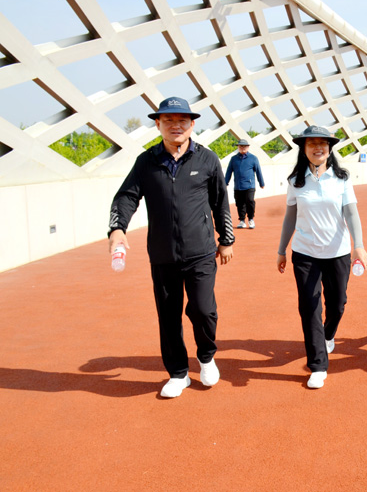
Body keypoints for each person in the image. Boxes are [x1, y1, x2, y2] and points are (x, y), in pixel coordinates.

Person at [108, 96, 235, 398]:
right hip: (163, 255)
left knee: (204, 310)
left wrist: (226, 239)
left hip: (201, 252)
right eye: (168, 120)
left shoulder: (207, 159)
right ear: (158, 124)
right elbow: (126, 196)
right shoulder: (146, 161)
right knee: (168, 316)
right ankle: (178, 374)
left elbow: (220, 202)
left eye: (182, 121)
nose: (175, 126)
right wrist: (117, 228)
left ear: (192, 124)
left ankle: (206, 356)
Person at [277, 125, 367, 389]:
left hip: (337, 252)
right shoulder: (296, 180)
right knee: (309, 306)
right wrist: (282, 250)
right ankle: (317, 364)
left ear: (329, 148)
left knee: (337, 303)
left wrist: (359, 246)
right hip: (305, 253)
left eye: (323, 144)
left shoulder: (341, 179)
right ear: (303, 150)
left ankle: (328, 335)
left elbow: (351, 213)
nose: (318, 148)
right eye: (312, 144)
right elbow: (290, 216)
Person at [225, 138, 265, 229]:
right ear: (238, 147)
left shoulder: (253, 158)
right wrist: (225, 183)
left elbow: (258, 171)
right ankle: (242, 220)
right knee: (239, 203)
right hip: (238, 186)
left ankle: (251, 219)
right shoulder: (234, 159)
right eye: (240, 146)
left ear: (248, 147)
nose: (242, 147)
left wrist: (261, 183)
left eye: (244, 146)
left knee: (250, 201)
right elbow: (229, 172)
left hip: (249, 185)